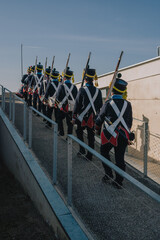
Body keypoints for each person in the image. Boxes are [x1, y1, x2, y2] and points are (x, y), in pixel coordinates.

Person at [95, 76, 133, 189]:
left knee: (104, 152)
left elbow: (100, 118)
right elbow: (129, 121)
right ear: (122, 91)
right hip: (123, 135)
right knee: (120, 158)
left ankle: (108, 174)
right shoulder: (128, 104)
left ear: (113, 90)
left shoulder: (108, 103)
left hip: (109, 135)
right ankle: (119, 181)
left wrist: (97, 127)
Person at [72, 67, 103, 161]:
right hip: (92, 118)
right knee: (91, 137)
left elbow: (77, 105)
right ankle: (90, 155)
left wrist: (74, 116)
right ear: (93, 79)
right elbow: (99, 106)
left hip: (82, 117)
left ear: (85, 79)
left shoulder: (82, 90)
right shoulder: (98, 91)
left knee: (79, 133)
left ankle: (82, 150)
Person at [56, 67, 78, 136]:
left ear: (64, 77)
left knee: (59, 119)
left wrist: (58, 105)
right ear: (70, 78)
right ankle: (69, 136)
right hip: (71, 107)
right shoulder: (74, 87)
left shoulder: (61, 86)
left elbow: (57, 97)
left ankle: (61, 132)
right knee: (70, 123)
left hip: (63, 107)